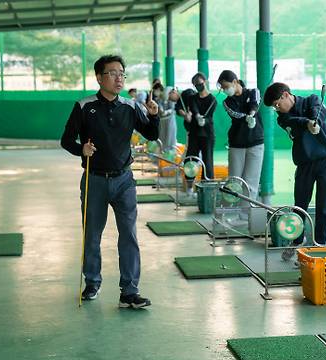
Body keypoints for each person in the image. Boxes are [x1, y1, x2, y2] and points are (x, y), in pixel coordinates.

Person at [60, 54, 158, 309]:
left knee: (129, 234)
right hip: (94, 180)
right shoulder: (84, 106)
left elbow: (151, 133)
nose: (119, 78)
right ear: (99, 77)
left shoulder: (130, 106)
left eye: (122, 73)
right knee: (92, 235)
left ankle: (129, 291)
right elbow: (67, 140)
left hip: (124, 180)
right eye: (113, 73)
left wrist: (154, 115)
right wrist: (81, 150)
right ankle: (92, 282)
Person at [263, 82, 326, 246]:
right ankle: (297, 243)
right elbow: (294, 121)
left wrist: (315, 120)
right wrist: (307, 123)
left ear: (286, 95)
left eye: (277, 104)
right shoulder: (282, 118)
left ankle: (320, 247)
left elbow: (319, 111)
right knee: (299, 207)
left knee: (323, 207)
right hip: (304, 164)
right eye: (274, 106)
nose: (277, 108)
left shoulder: (312, 100)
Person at [216, 70, 264, 200]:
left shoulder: (253, 92)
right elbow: (235, 114)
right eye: (223, 88)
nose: (225, 90)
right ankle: (232, 212)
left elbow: (254, 103)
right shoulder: (227, 102)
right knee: (234, 180)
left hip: (256, 142)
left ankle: (246, 214)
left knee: (251, 181)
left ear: (235, 82)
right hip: (237, 143)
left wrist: (252, 113)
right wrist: (246, 118)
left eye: (226, 86)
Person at [177, 72, 217, 194]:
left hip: (207, 135)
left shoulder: (212, 100)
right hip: (194, 134)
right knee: (190, 161)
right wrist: (196, 115)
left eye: (200, 84)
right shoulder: (192, 98)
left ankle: (207, 190)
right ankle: (189, 188)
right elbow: (193, 109)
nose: (198, 86)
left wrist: (205, 120)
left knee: (208, 162)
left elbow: (210, 117)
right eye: (196, 85)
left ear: (205, 82)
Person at [152, 82, 177, 151]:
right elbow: (159, 108)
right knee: (162, 137)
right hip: (162, 121)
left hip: (170, 120)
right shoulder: (159, 100)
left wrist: (167, 112)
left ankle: (170, 152)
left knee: (170, 136)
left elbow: (172, 109)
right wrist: (161, 110)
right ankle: (162, 151)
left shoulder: (171, 99)